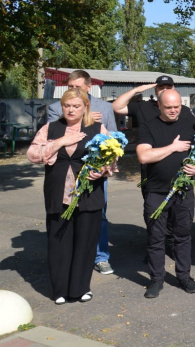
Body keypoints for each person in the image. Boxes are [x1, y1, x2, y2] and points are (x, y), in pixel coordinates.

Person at [28, 89, 115, 304]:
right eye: (67, 105)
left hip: (89, 194)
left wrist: (103, 170)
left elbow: (112, 156)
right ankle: (59, 290)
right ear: (62, 106)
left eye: (76, 106)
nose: (71, 110)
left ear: (85, 106)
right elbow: (32, 154)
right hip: (59, 195)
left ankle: (80, 288)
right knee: (59, 242)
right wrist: (59, 142)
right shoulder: (51, 128)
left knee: (85, 243)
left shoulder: (97, 129)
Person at [47, 70, 118, 276]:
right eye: (70, 87)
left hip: (93, 172)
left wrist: (104, 167)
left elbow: (114, 139)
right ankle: (70, 256)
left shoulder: (104, 108)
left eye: (78, 87)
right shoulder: (55, 107)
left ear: (89, 87)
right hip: (66, 172)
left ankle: (100, 257)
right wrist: (78, 117)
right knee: (65, 215)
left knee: (98, 215)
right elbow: (49, 133)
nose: (74, 91)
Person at [137, 90, 195, 299]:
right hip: (157, 192)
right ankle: (156, 279)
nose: (174, 110)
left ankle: (184, 276)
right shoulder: (148, 126)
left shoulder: (188, 124)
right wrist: (173, 147)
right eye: (169, 107)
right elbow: (144, 156)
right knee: (156, 238)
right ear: (159, 105)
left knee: (182, 236)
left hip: (184, 192)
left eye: (176, 106)